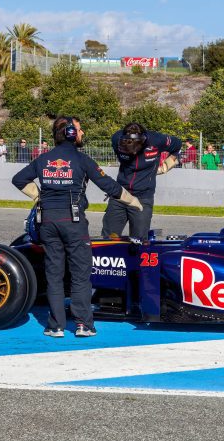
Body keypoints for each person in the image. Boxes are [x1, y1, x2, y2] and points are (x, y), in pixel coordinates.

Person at [13, 117, 141, 338]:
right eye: (80, 131)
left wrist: (39, 196)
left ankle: (55, 326)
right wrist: (133, 201)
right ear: (72, 134)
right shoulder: (82, 160)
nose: (82, 134)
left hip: (48, 223)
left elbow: (18, 179)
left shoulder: (43, 159)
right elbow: (109, 185)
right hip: (72, 222)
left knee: (54, 274)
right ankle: (83, 324)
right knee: (81, 274)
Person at [101, 122, 181, 240]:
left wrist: (166, 166)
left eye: (135, 149)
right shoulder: (116, 139)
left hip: (143, 197)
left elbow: (177, 144)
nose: (133, 152)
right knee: (109, 237)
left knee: (139, 240)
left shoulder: (156, 140)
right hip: (120, 194)